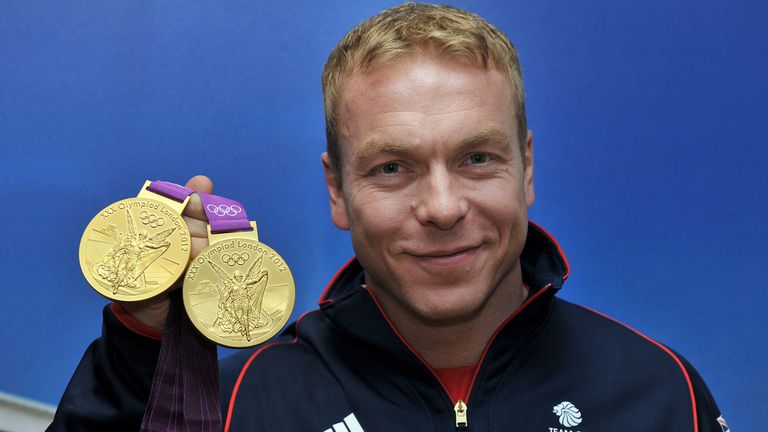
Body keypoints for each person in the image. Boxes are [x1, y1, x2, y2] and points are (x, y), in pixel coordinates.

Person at [49, 3, 727, 431]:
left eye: (478, 159)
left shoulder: (661, 390)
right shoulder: (240, 404)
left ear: (527, 167)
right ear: (337, 191)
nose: (440, 207)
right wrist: (141, 348)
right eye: (392, 168)